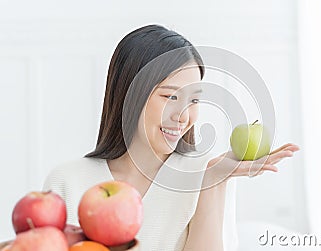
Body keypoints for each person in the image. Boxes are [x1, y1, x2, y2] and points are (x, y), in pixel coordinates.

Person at [43, 24, 299, 251]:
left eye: (194, 99)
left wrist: (211, 182)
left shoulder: (210, 172)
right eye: (170, 97)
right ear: (129, 95)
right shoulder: (68, 180)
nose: (183, 116)